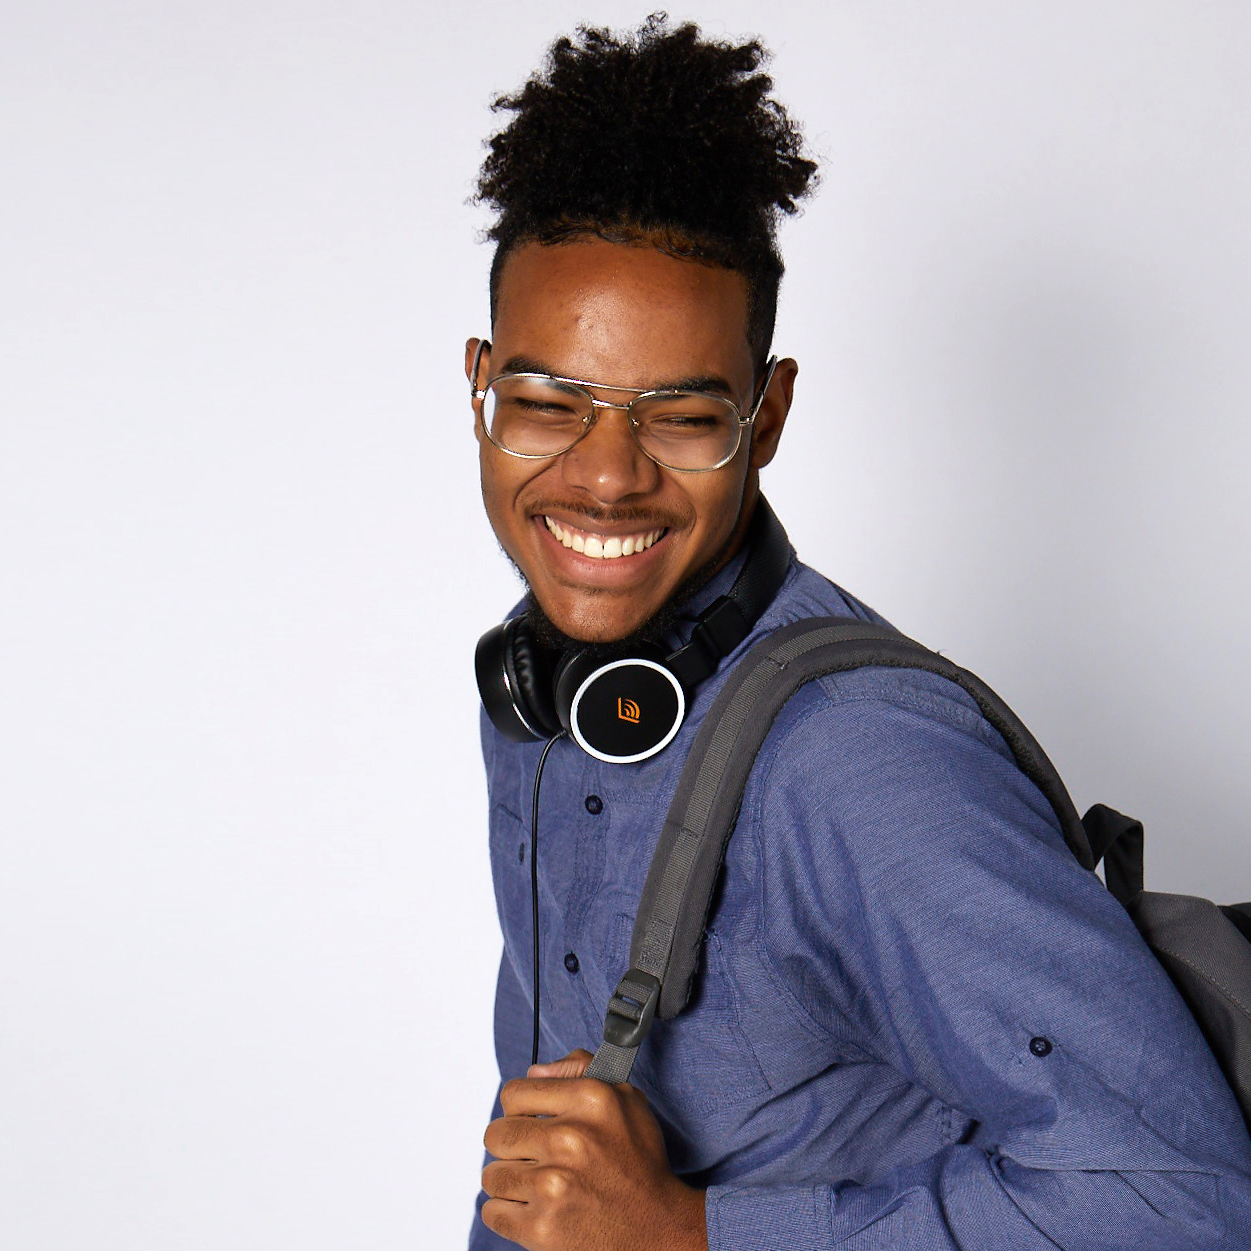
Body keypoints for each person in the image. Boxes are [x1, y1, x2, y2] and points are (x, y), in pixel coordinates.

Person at [464, 18, 1251, 1251]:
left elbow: (1186, 1199)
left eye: (680, 415)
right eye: (551, 401)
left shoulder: (863, 769)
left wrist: (691, 1234)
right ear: (481, 390)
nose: (604, 479)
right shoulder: (547, 689)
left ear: (767, 416)